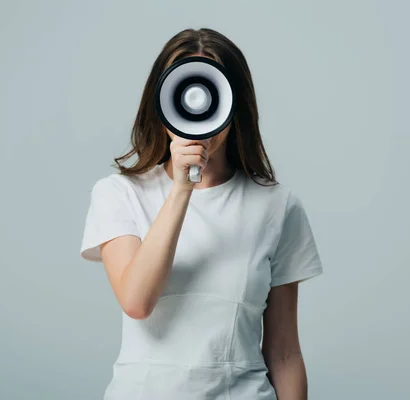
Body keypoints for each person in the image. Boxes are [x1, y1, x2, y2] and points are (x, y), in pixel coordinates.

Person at [80, 28, 323, 400]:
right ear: (159, 104)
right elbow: (137, 301)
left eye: (213, 95)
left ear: (235, 106)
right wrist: (181, 189)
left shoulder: (278, 206)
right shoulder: (118, 194)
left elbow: (284, 351)